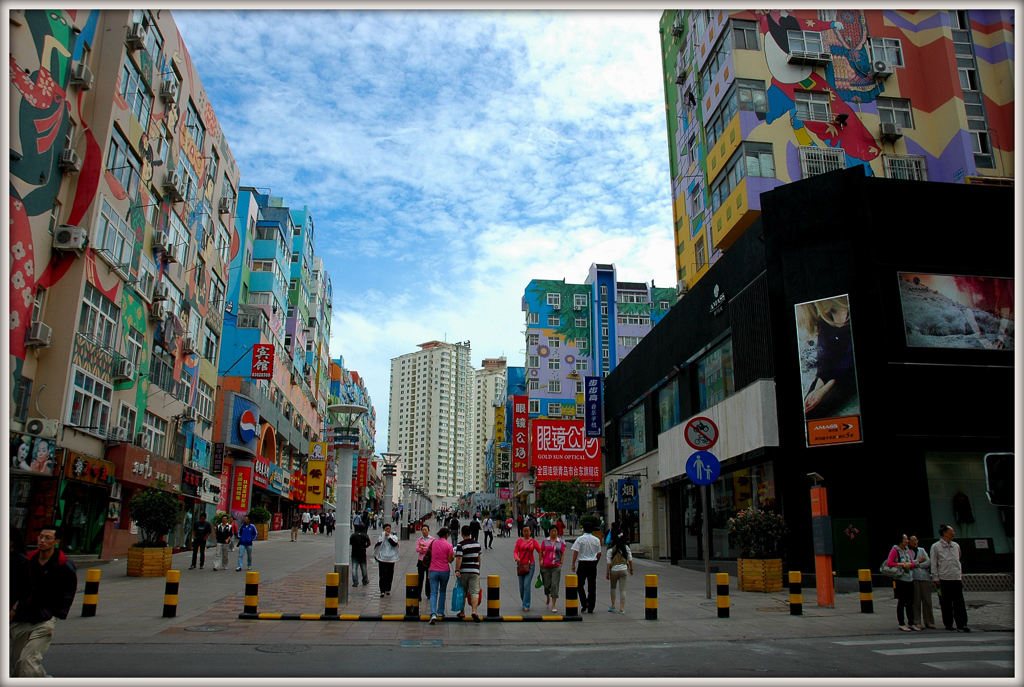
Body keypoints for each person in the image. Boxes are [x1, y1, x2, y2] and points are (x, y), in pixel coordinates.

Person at [10, 526, 78, 677]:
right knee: (17, 663)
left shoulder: (64, 565)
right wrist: (13, 610)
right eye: (40, 537)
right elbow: (19, 588)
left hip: (44, 618)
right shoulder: (27, 561)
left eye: (48, 538)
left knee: (28, 661)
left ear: (56, 542)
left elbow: (68, 591)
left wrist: (56, 613)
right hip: (23, 617)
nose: (42, 540)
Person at [930, 524, 969, 632]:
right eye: (951, 531)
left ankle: (962, 624)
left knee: (959, 602)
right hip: (943, 578)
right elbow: (934, 563)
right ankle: (948, 623)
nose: (953, 533)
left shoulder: (956, 545)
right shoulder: (936, 547)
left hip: (956, 577)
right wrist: (935, 577)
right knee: (945, 602)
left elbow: (958, 558)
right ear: (945, 533)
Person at [886, 533, 919, 631]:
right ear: (901, 540)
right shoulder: (895, 550)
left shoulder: (908, 551)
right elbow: (889, 563)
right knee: (902, 601)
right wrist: (902, 564)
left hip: (910, 578)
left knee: (910, 602)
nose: (907, 541)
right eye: (905, 539)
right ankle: (901, 623)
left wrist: (910, 565)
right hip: (900, 579)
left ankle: (911, 622)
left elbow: (912, 563)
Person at [571, 521, 603, 614]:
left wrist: (573, 564)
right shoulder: (596, 540)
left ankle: (584, 603)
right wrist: (596, 561)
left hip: (583, 563)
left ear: (583, 529)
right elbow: (599, 553)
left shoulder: (580, 539)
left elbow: (576, 552)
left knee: (580, 585)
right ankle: (591, 606)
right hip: (593, 563)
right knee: (592, 586)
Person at [427, 527, 456, 624]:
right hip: (444, 571)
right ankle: (440, 611)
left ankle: (433, 613)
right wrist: (453, 556)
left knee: (433, 593)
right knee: (442, 591)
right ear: (447, 535)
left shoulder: (433, 543)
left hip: (433, 570)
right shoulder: (449, 545)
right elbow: (449, 560)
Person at [455, 525, 483, 622]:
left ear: (462, 534)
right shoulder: (477, 544)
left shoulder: (460, 545)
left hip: (463, 571)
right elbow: (479, 558)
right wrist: (478, 568)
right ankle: (474, 611)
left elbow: (459, 558)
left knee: (462, 592)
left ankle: (462, 612)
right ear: (470, 533)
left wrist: (457, 570)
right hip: (474, 571)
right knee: (474, 592)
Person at [908, 534, 935, 630]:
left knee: (927, 600)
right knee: (916, 600)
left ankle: (929, 621)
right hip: (914, 577)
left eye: (916, 540)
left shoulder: (922, 550)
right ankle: (917, 621)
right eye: (912, 540)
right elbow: (909, 564)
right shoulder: (907, 551)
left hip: (925, 577)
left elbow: (928, 562)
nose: (915, 542)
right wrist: (918, 561)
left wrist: (918, 565)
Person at [514, 525, 542, 613]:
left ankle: (526, 604)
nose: (526, 533)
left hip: (530, 565)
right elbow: (515, 551)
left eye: (527, 531)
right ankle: (524, 600)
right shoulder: (519, 541)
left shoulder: (533, 542)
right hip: (520, 565)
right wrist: (516, 558)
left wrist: (543, 559)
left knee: (526, 585)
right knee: (521, 587)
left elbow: (540, 551)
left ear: (531, 532)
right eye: (524, 531)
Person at [606, 530, 634, 614]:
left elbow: (608, 563)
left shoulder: (610, 549)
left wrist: (607, 573)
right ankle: (622, 608)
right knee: (623, 589)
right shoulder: (626, 548)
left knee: (613, 587)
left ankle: (613, 605)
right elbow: (630, 559)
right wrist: (631, 569)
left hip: (614, 570)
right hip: (624, 569)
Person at [540, 526, 565, 614]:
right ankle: (548, 597)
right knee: (546, 584)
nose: (554, 533)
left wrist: (561, 562)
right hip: (546, 566)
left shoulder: (560, 542)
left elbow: (562, 553)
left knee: (555, 584)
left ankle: (553, 605)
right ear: (549, 532)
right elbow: (541, 551)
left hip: (556, 566)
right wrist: (541, 560)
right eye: (552, 531)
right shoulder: (545, 542)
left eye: (555, 531)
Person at [374, 523, 400, 598]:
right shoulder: (381, 537)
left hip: (391, 558)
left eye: (389, 529)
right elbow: (377, 545)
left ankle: (388, 589)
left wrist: (388, 537)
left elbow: (394, 544)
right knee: (382, 575)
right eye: (386, 529)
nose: (388, 530)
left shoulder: (393, 537)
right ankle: (382, 590)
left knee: (390, 574)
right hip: (382, 558)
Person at [415, 524, 436, 601]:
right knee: (420, 578)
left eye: (425, 530)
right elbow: (417, 549)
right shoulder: (419, 540)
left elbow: (432, 550)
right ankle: (418, 594)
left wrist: (423, 548)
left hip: (429, 561)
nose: (424, 531)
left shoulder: (433, 540)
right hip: (421, 561)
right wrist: (426, 549)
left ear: (428, 530)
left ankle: (428, 594)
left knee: (429, 578)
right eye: (423, 530)